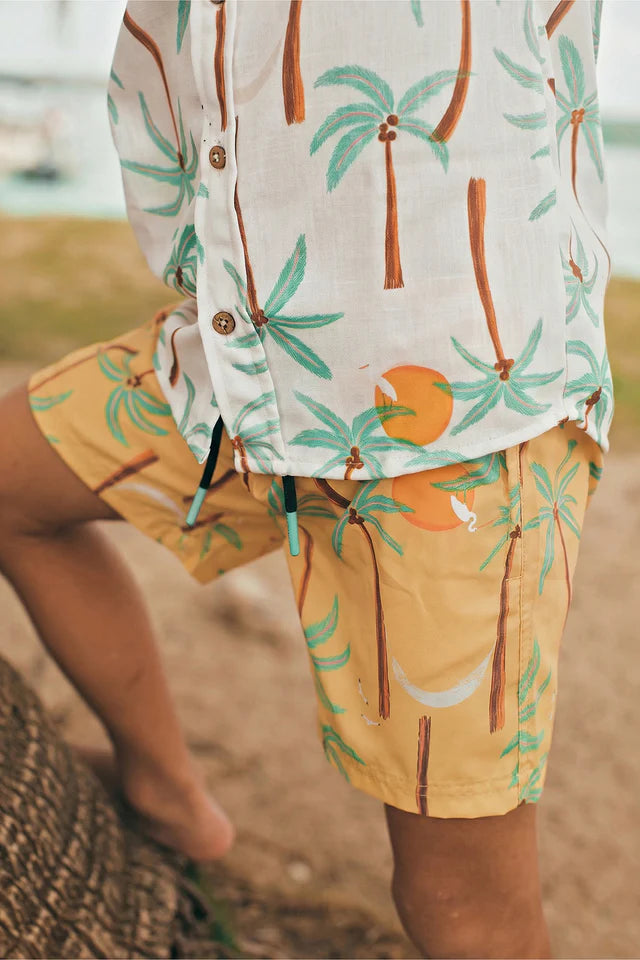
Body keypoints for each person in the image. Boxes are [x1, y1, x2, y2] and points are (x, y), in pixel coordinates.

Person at [0, 1, 612, 956]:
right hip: (242, 360)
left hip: (457, 425)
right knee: (9, 482)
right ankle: (168, 793)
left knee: (460, 902)